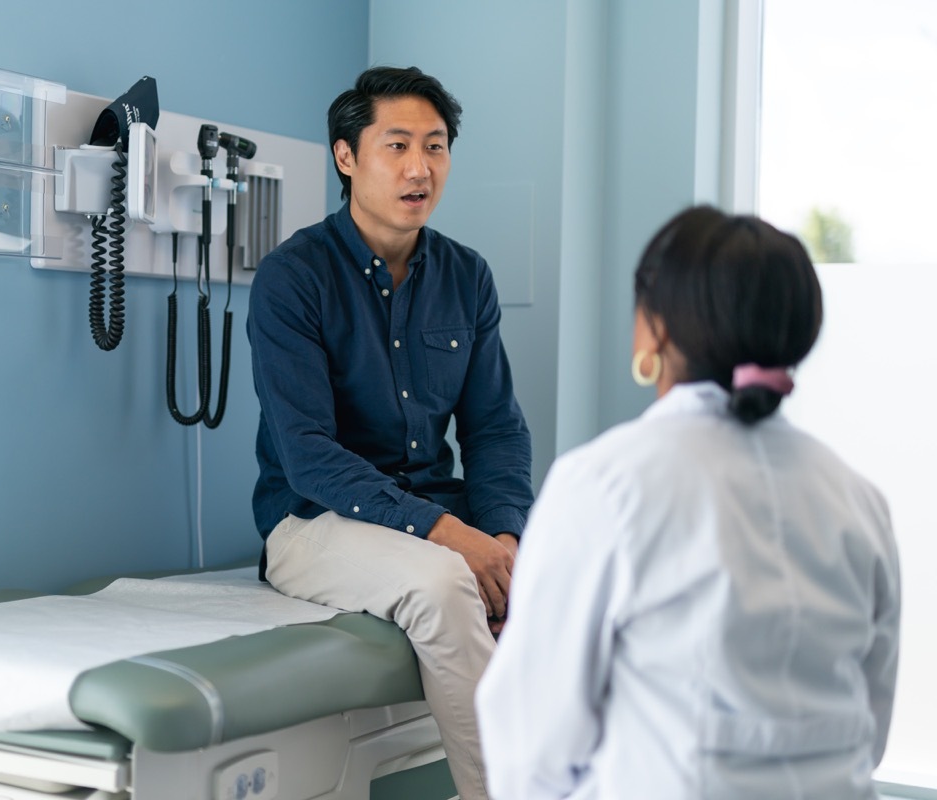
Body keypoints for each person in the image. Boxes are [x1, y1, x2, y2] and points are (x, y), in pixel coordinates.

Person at [475, 205, 901, 800]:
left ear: (655, 329)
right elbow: (869, 726)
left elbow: (531, 746)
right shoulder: (858, 499)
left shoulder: (605, 484)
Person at [246, 66, 534, 800]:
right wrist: (448, 535)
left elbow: (496, 427)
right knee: (442, 583)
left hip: (438, 516)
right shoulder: (292, 278)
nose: (420, 168)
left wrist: (503, 537)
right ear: (346, 157)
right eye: (398, 145)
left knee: (557, 574)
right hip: (313, 522)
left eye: (435, 147)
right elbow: (308, 457)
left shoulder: (467, 277)